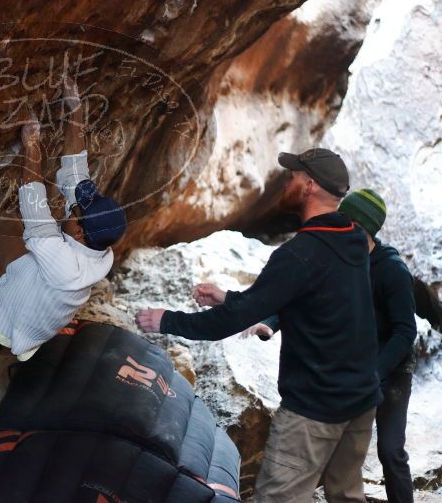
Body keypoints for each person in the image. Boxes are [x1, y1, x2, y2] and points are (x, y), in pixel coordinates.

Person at [135, 148, 382, 503]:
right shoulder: (354, 239)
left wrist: (166, 320)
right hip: (360, 401)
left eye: (293, 175)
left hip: (315, 410)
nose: (286, 181)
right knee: (346, 495)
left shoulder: (298, 255)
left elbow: (234, 321)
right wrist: (230, 297)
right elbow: (306, 296)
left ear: (309, 185)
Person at [242, 188, 417, 503]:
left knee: (390, 450)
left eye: (346, 221)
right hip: (350, 367)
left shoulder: (391, 270)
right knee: (341, 462)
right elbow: (305, 296)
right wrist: (271, 322)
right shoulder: (336, 257)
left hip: (390, 367)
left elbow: (405, 332)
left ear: (363, 229)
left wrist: (375, 372)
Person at [0, 75, 127, 360]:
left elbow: (33, 200)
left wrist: (32, 143)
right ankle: (6, 285)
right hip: (36, 276)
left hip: (2, 329)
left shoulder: (66, 266)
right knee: (8, 223)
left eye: (75, 211)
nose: (71, 207)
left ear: (80, 232)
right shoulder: (97, 244)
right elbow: (75, 171)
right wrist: (76, 109)